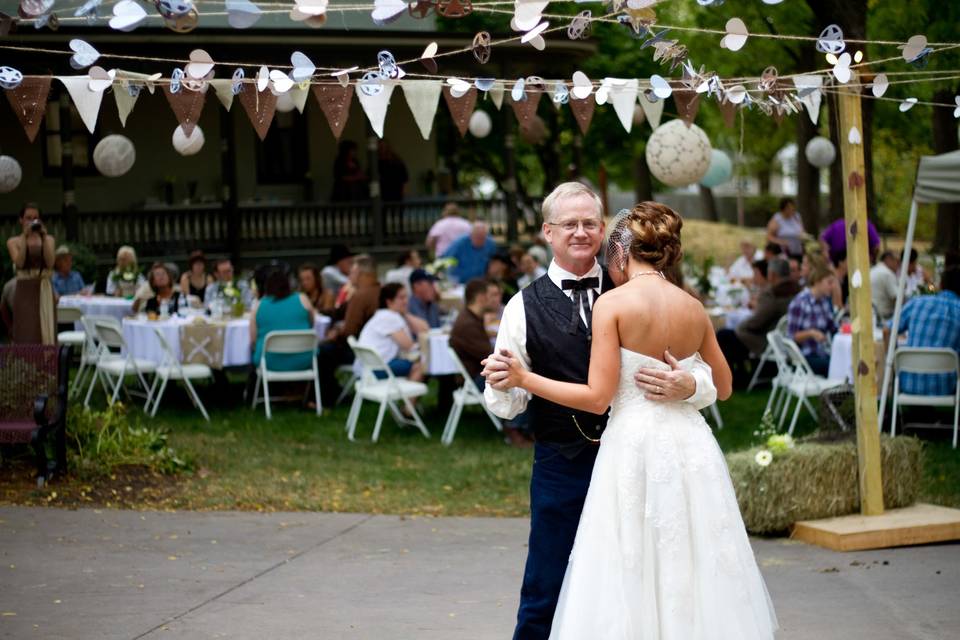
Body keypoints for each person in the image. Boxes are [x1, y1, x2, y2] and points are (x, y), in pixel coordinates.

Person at [485, 197, 775, 639]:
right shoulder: (524, 307)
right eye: (569, 224)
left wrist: (691, 385)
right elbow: (726, 381)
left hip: (630, 453)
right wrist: (509, 381)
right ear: (549, 232)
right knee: (549, 584)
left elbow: (604, 395)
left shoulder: (616, 299)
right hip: (580, 459)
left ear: (613, 242)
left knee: (650, 571)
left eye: (590, 224)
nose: (581, 233)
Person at [718, 258, 801, 387]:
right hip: (784, 339)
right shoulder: (797, 290)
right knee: (732, 336)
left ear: (772, 275)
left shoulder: (773, 293)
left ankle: (735, 378)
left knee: (724, 336)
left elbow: (757, 322)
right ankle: (740, 374)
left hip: (767, 340)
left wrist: (740, 327)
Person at [317, 254, 380, 405]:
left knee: (323, 351)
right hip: (381, 348)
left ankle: (328, 396)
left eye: (352, 272)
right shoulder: (380, 290)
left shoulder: (360, 296)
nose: (349, 276)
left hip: (362, 352)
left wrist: (337, 331)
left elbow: (349, 332)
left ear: (361, 274)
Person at [893, 266, 960, 397]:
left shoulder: (917, 302)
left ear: (941, 285)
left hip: (908, 382)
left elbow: (887, 330)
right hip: (944, 387)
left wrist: (892, 368)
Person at [6, 203, 56, 344]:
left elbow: (50, 263)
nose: (32, 221)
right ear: (21, 220)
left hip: (44, 287)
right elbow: (20, 263)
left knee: (45, 328)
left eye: (35, 218)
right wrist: (24, 237)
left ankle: (47, 363)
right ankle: (25, 364)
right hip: (24, 289)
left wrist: (44, 238)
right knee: (26, 329)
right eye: (28, 218)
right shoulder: (13, 241)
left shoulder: (49, 239)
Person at [356, 282, 428, 381]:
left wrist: (405, 313)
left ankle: (405, 394)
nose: (406, 301)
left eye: (406, 297)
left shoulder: (383, 315)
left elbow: (424, 329)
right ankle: (407, 396)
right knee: (422, 365)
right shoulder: (390, 317)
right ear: (389, 301)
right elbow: (409, 346)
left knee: (416, 362)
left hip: (366, 368)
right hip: (377, 369)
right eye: (401, 298)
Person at [250, 267, 315, 371]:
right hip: (303, 359)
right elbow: (311, 324)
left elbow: (253, 340)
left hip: (269, 361)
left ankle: (254, 386)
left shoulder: (259, 306)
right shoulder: (303, 299)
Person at [786, 262, 838, 376]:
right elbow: (791, 336)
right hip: (803, 358)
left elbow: (833, 328)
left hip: (822, 352)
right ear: (818, 282)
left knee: (843, 362)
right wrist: (811, 333)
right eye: (829, 282)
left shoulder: (824, 301)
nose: (833, 286)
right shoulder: (800, 302)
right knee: (836, 367)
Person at [870, 250, 901, 321]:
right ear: (888, 259)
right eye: (897, 262)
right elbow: (898, 299)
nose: (899, 265)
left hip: (871, 313)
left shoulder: (874, 269)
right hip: (883, 317)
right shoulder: (887, 274)